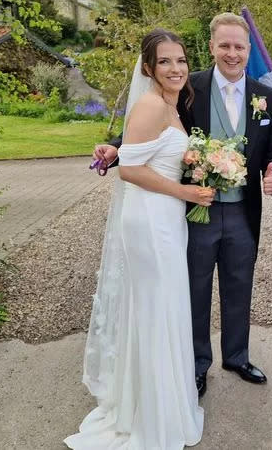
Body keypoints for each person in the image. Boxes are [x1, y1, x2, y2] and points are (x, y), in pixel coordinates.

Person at [92, 12, 272, 398]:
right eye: (225, 45)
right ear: (211, 46)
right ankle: (197, 363)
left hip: (243, 213)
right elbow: (151, 123)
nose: (232, 53)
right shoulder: (189, 87)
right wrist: (116, 146)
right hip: (196, 210)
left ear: (248, 50)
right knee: (194, 288)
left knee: (238, 285)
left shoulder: (268, 97)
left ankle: (237, 355)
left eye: (239, 46)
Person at [66, 29, 207, 449]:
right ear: (148, 68)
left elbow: (145, 152)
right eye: (165, 61)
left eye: (180, 60)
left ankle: (158, 401)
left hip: (163, 218)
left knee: (161, 308)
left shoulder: (174, 104)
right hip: (149, 219)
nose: (176, 68)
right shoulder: (150, 104)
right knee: (155, 308)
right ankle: (152, 416)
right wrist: (187, 192)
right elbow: (130, 169)